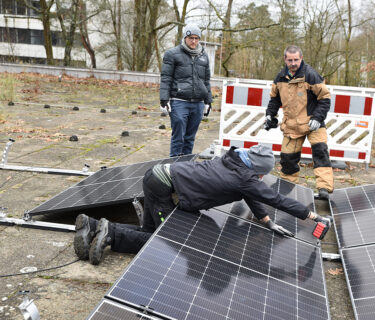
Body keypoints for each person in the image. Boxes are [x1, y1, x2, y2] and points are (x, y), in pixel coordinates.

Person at [73, 144, 332, 265]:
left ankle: (94, 225)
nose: (262, 179)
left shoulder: (235, 161)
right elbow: (274, 198)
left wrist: (266, 220)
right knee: (163, 239)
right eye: (263, 174)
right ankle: (110, 234)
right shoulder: (244, 178)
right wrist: (311, 216)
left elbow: (252, 195)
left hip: (157, 176)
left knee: (151, 231)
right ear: (257, 170)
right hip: (164, 187)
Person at [264, 45, 334, 200]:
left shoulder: (311, 75)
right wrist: (270, 115)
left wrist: (317, 118)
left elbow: (325, 99)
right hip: (292, 125)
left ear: (301, 58)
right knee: (288, 159)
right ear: (285, 59)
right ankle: (287, 189)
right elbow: (274, 100)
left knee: (320, 153)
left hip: (313, 124)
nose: (293, 63)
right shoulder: (280, 77)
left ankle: (324, 189)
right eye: (290, 60)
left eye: (296, 59)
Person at [160, 23, 213, 157]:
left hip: (198, 103)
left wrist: (208, 101)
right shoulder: (172, 54)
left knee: (190, 138)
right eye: (191, 38)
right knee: (178, 137)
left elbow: (206, 80)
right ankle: (173, 168)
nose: (193, 41)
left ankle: (186, 168)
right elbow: (166, 78)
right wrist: (164, 99)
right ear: (185, 37)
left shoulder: (204, 56)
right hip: (179, 102)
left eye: (196, 38)